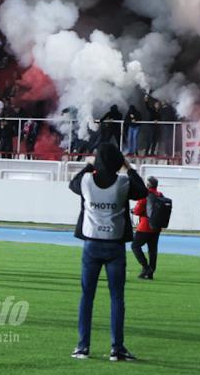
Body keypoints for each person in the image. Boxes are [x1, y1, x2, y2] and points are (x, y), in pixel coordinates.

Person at [69, 143, 148, 361]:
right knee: (116, 298)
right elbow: (142, 191)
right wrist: (129, 167)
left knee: (87, 296)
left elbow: (72, 184)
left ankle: (82, 346)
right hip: (114, 245)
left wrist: (88, 166)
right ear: (117, 162)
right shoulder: (123, 182)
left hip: (91, 244)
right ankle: (117, 348)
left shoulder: (86, 181)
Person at [131, 176, 163, 280]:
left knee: (135, 246)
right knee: (152, 250)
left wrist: (133, 210)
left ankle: (146, 267)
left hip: (145, 226)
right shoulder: (160, 195)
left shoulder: (145, 195)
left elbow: (137, 210)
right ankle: (150, 273)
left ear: (148, 185)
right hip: (156, 227)